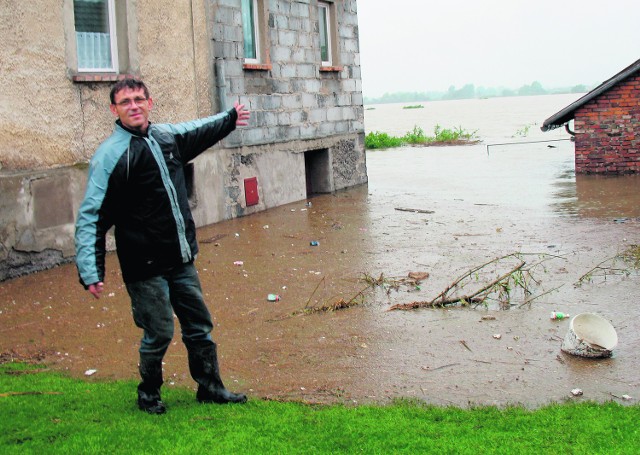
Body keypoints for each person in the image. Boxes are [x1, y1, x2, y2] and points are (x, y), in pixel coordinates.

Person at [75, 78, 250, 414]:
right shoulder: (111, 156)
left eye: (139, 99)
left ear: (149, 103)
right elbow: (92, 217)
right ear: (115, 110)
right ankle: (149, 393)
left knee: (199, 325)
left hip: (180, 258)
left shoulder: (166, 137)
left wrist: (229, 118)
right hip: (144, 266)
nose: (134, 106)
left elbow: (199, 129)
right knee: (158, 331)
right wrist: (91, 269)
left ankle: (211, 387)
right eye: (126, 102)